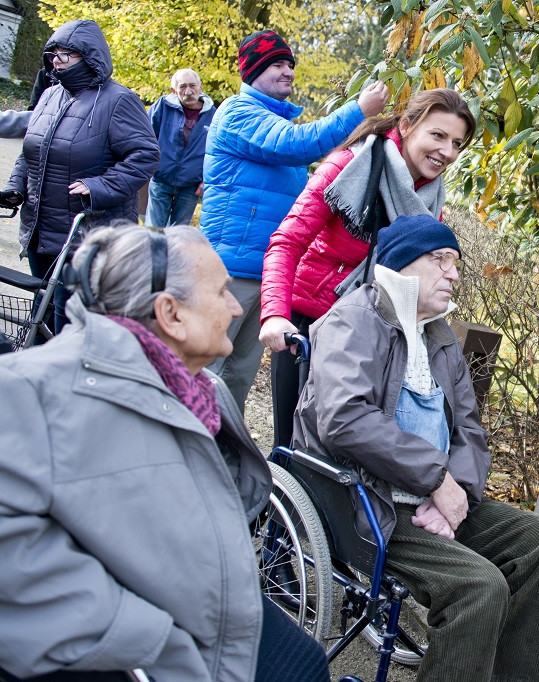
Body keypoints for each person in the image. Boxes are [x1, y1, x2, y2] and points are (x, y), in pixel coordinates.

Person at [0, 223, 330, 682]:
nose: (237, 306)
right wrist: (144, 637)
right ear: (171, 314)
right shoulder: (24, 389)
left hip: (209, 604)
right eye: (221, 293)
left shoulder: (200, 388)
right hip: (138, 643)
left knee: (306, 664)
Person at [293, 214, 539, 682]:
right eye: (439, 259)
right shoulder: (354, 321)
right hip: (366, 502)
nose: (454, 273)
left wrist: (455, 494)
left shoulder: (438, 337)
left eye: (456, 262)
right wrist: (436, 479)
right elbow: (344, 419)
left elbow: (469, 430)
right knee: (478, 589)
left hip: (428, 497)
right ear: (400, 265)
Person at [259, 87, 475, 446]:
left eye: (456, 143)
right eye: (437, 135)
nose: (447, 152)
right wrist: (274, 314)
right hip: (311, 323)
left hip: (372, 332)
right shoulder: (349, 167)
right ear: (406, 125)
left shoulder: (429, 196)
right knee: (295, 444)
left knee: (349, 447)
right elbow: (287, 242)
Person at [201, 28, 389, 413]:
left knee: (238, 373)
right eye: (276, 64)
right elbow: (296, 145)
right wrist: (358, 110)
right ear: (251, 71)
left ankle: (221, 454)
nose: (287, 71)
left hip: (269, 272)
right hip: (229, 267)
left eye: (289, 64)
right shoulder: (238, 113)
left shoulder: (275, 120)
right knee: (207, 366)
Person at [0, 19, 159, 334]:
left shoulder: (118, 100)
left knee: (67, 319)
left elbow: (146, 155)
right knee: (40, 312)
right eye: (53, 52)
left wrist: (98, 187)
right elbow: (33, 150)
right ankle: (34, 377)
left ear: (89, 56)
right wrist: (15, 187)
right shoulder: (50, 96)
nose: (56, 59)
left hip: (89, 234)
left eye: (65, 53)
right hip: (41, 231)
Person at [146, 68, 215, 227]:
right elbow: (146, 138)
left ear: (200, 87)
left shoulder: (213, 115)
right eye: (182, 86)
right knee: (153, 231)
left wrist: (206, 180)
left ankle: (172, 253)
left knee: (178, 234)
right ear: (173, 91)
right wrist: (149, 167)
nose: (188, 91)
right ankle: (153, 253)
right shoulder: (162, 106)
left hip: (190, 185)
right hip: (161, 179)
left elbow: (216, 153)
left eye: (192, 86)